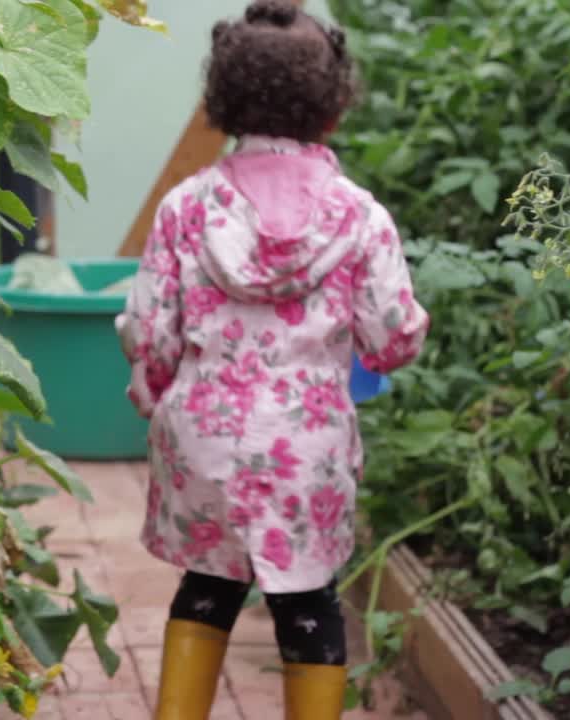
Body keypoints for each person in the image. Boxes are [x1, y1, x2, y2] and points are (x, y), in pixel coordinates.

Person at [115, 2, 430, 718]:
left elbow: (152, 331)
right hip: (304, 448)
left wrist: (154, 387)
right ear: (331, 104)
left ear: (223, 98)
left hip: (203, 440)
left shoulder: (186, 207)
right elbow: (391, 337)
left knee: (207, 587)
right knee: (309, 602)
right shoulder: (358, 215)